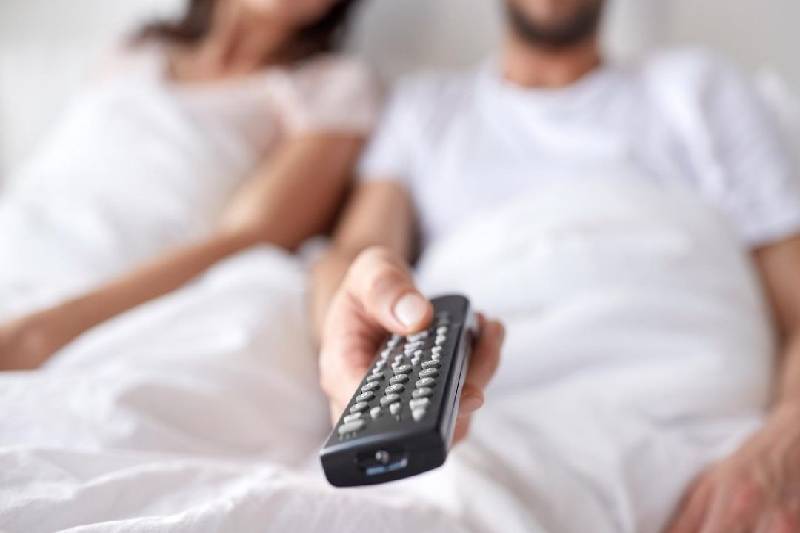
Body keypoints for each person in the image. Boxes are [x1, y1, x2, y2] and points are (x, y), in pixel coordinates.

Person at [313, 0, 800, 531]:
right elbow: (353, 255)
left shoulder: (699, 86)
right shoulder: (425, 108)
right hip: (491, 429)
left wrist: (786, 440)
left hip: (719, 449)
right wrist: (352, 361)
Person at [0, 0, 379, 370]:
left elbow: (253, 235)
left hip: (113, 283)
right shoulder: (134, 51)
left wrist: (44, 331)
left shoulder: (331, 85)